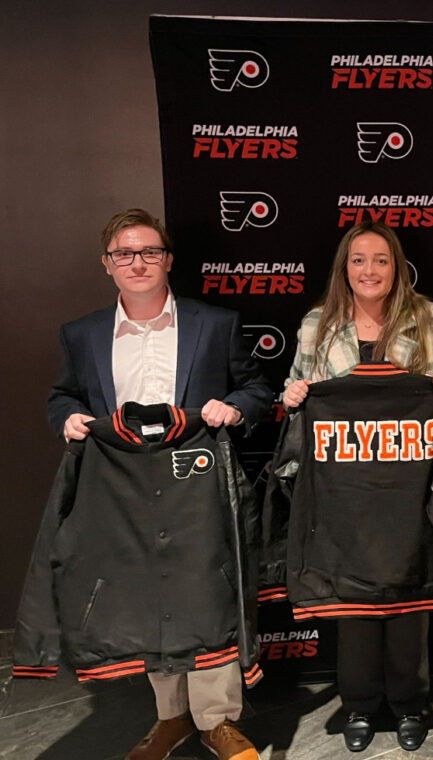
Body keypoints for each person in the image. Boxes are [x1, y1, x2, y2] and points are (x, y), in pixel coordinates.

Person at [45, 208, 273, 760]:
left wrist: (234, 408)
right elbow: (63, 395)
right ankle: (172, 717)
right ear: (107, 264)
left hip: (198, 490)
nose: (137, 262)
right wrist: (67, 418)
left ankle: (217, 720)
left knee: (207, 597)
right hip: (124, 495)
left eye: (149, 251)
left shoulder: (214, 323)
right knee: (149, 598)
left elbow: (256, 390)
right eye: (124, 253)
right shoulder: (82, 334)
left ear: (168, 260)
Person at [282, 221, 433, 753]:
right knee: (354, 606)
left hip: (410, 490)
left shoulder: (431, 318)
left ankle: (410, 703)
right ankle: (360, 705)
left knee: (409, 600)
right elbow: (295, 389)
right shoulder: (317, 323)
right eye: (359, 260)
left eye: (381, 260)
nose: (370, 270)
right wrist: (293, 395)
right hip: (344, 493)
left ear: (398, 267)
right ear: (344, 268)